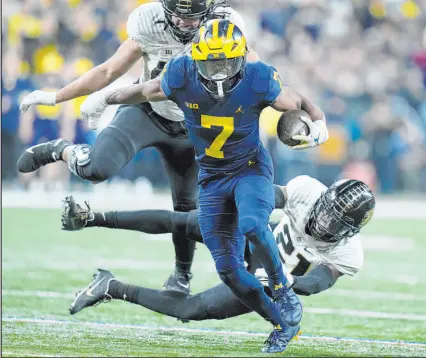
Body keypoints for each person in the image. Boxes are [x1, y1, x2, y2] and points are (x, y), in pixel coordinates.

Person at [66, 20, 330, 353]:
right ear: (197, 57)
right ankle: (280, 323)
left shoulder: (258, 77)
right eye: (211, 62)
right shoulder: (182, 73)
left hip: (250, 169)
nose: (218, 70)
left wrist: (318, 121)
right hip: (212, 178)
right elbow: (145, 90)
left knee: (251, 223)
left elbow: (296, 100)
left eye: (225, 61)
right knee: (231, 273)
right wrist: (106, 98)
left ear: (240, 58)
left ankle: (282, 288)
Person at [17, 0, 253, 294]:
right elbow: (108, 72)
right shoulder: (149, 21)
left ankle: (182, 275)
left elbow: (255, 72)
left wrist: (301, 115)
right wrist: (56, 98)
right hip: (146, 112)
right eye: (176, 16)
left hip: (194, 126)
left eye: (190, 18)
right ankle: (60, 149)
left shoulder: (225, 25)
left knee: (186, 209)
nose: (181, 23)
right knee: (97, 168)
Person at [65, 176, 374, 350]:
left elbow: (319, 281)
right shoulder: (308, 190)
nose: (323, 221)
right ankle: (93, 217)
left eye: (334, 223)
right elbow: (265, 198)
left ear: (349, 231)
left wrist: (288, 283)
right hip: (255, 241)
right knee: (184, 222)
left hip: (268, 283)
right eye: (325, 211)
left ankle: (111, 287)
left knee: (190, 309)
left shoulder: (349, 252)